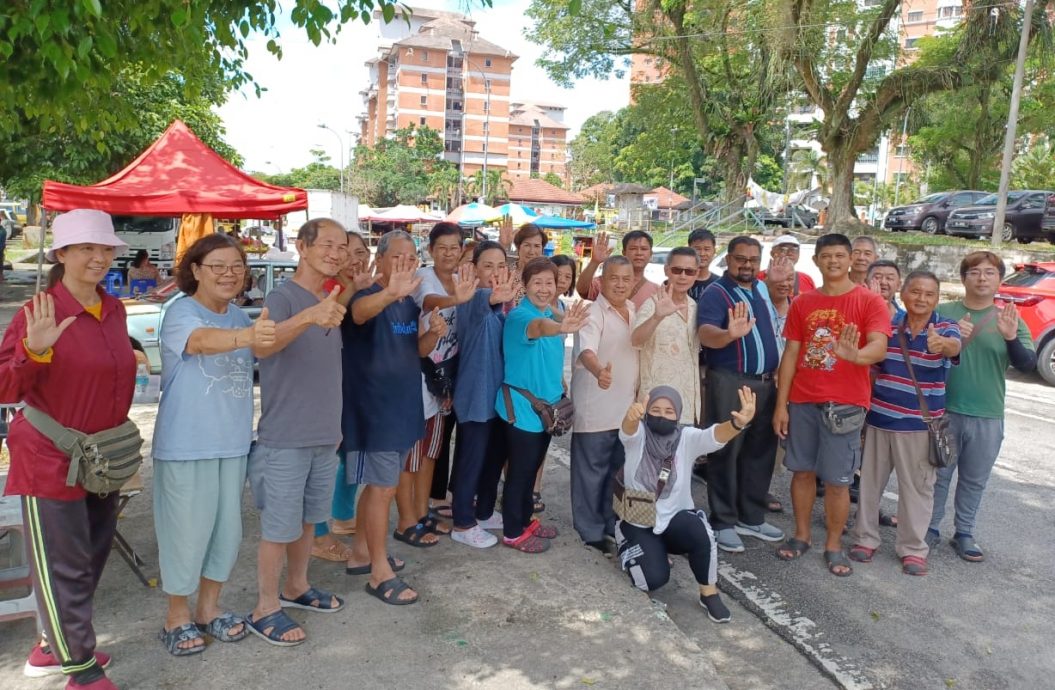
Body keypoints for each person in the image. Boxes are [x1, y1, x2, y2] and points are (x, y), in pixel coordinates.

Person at [0, 209, 131, 689]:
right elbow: (4, 387)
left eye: (104, 249)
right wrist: (34, 351)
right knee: (64, 566)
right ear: (62, 254)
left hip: (102, 457)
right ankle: (80, 669)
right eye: (86, 249)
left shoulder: (112, 308)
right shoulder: (39, 312)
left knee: (93, 555)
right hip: (49, 459)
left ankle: (52, 645)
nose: (98, 258)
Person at [151, 234, 276, 655]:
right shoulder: (181, 311)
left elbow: (268, 345)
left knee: (226, 533)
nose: (229, 274)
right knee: (185, 533)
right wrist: (251, 338)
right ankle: (176, 617)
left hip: (233, 444)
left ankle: (209, 609)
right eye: (218, 266)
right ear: (197, 271)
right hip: (187, 445)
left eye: (236, 266)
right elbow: (200, 342)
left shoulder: (241, 318)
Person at [246, 218, 349, 646]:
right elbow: (262, 346)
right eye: (326, 244)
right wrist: (309, 316)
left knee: (310, 520)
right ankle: (265, 607)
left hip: (325, 434)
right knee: (278, 527)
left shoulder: (331, 297)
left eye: (342, 246)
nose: (336, 253)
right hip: (285, 437)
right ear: (303, 248)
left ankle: (297, 586)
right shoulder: (283, 297)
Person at [772, 233, 891, 577]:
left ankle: (834, 544)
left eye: (840, 255)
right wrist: (782, 405)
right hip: (803, 400)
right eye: (827, 256)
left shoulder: (869, 301)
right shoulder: (802, 303)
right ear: (816, 261)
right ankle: (802, 535)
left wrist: (856, 355)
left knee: (839, 480)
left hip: (846, 405)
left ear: (852, 258)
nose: (834, 261)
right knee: (801, 471)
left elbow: (879, 347)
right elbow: (791, 354)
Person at [343, 230, 445, 604]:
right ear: (380, 259)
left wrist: (432, 335)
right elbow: (357, 315)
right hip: (374, 410)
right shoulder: (366, 295)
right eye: (397, 257)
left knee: (378, 486)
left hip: (404, 408)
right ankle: (378, 572)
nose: (405, 264)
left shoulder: (408, 303)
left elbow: (413, 350)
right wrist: (388, 292)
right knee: (383, 489)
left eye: (411, 259)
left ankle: (361, 553)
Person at [850, 271, 961, 576]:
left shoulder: (945, 327)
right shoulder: (888, 325)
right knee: (870, 486)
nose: (921, 299)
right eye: (915, 292)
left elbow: (954, 347)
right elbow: (872, 365)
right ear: (904, 293)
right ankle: (865, 539)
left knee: (917, 490)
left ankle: (913, 549)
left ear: (937, 299)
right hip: (879, 419)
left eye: (929, 294)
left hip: (919, 426)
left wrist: (944, 346)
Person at [616, 385, 757, 624]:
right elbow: (627, 432)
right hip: (637, 520)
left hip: (673, 519)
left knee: (701, 532)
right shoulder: (639, 434)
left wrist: (737, 424)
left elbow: (713, 436)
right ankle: (628, 540)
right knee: (652, 579)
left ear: (678, 415)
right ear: (647, 412)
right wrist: (629, 418)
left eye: (669, 411)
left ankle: (708, 593)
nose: (662, 415)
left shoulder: (686, 438)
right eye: (656, 410)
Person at [928, 252, 1036, 562]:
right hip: (944, 410)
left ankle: (964, 532)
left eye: (989, 273)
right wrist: (949, 340)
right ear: (963, 278)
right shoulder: (943, 312)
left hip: (988, 414)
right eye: (974, 272)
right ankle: (930, 528)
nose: (982, 278)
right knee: (938, 475)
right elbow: (924, 353)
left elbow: (1027, 364)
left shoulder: (1009, 318)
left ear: (999, 280)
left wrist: (1011, 337)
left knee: (974, 479)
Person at [697, 236, 785, 553]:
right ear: (729, 260)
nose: (746, 264)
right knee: (725, 450)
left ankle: (751, 516)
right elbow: (705, 333)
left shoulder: (759, 289)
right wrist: (728, 334)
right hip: (730, 381)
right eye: (740, 259)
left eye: (753, 259)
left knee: (760, 452)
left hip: (764, 383)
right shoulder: (716, 293)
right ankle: (722, 522)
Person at [496, 257, 589, 553]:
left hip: (545, 411)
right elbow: (539, 328)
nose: (544, 288)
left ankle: (525, 520)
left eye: (550, 282)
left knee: (532, 468)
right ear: (525, 286)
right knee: (520, 473)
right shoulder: (521, 317)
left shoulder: (554, 310)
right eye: (537, 282)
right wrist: (561, 326)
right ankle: (512, 531)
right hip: (522, 410)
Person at [407, 223, 476, 537]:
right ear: (431, 250)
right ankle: (409, 518)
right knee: (413, 453)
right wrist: (456, 301)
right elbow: (428, 302)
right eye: (442, 247)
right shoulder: (424, 278)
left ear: (462, 249)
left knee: (434, 451)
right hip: (421, 374)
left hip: (448, 377)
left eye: (454, 247)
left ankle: (424, 513)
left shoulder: (465, 279)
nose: (449, 253)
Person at [311, 231, 375, 562]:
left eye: (360, 251)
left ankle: (343, 516)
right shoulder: (326, 290)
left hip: (357, 383)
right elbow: (332, 316)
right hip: (329, 386)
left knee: (350, 452)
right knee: (328, 457)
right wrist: (354, 287)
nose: (354, 258)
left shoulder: (368, 288)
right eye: (347, 253)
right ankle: (319, 533)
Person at [450, 241, 518, 548]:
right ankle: (463, 523)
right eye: (487, 266)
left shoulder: (503, 306)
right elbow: (486, 300)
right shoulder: (472, 298)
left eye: (500, 266)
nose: (494, 272)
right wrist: (497, 295)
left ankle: (483, 511)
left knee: (491, 458)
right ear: (475, 269)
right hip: (475, 395)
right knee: (471, 460)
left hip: (496, 398)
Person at [570, 255, 638, 555]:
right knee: (590, 473)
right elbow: (586, 351)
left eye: (626, 279)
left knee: (616, 473)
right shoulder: (592, 312)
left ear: (633, 281)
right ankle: (590, 530)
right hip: (596, 407)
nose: (620, 284)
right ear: (602, 280)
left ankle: (611, 524)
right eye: (614, 278)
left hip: (625, 411)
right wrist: (599, 371)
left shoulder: (634, 309)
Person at [633, 247, 701, 426]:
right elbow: (635, 340)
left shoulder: (695, 307)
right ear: (667, 270)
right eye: (677, 270)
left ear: (696, 274)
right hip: (657, 405)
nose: (683, 276)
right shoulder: (652, 304)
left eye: (689, 271)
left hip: (687, 407)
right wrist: (657, 317)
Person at [577, 230, 660, 309]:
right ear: (624, 253)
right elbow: (582, 290)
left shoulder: (657, 291)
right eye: (633, 248)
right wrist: (594, 262)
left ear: (650, 254)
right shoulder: (605, 281)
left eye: (644, 249)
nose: (639, 253)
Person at [687, 227, 719, 302]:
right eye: (697, 249)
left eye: (707, 249)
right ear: (689, 250)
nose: (702, 254)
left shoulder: (720, 284)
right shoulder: (678, 281)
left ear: (714, 251)